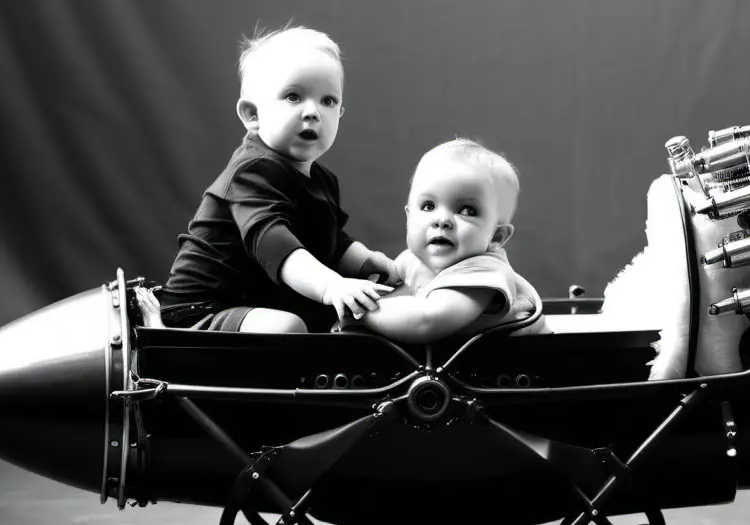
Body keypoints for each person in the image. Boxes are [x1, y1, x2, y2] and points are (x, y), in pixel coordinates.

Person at [136, 25, 399, 332]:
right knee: (286, 329)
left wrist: (370, 262)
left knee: (357, 316)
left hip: (252, 303)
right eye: (293, 96)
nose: (313, 111)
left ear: (341, 112)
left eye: (328, 101)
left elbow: (331, 243)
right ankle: (166, 346)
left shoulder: (322, 179)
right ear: (252, 115)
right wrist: (332, 287)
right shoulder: (253, 172)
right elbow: (275, 244)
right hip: (201, 311)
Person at [339, 138, 546, 343]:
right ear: (409, 218)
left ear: (496, 236)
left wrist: (361, 311)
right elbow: (393, 293)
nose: (442, 220)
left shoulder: (484, 271)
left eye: (466, 210)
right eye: (429, 206)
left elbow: (426, 321)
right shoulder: (412, 261)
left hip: (526, 363)